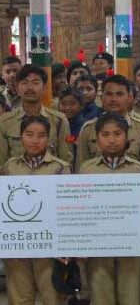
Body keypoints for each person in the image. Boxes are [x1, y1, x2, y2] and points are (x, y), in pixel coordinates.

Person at [80, 113, 140, 305]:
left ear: (127, 137)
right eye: (105, 134)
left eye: (117, 134)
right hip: (98, 244)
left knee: (132, 295)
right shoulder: (87, 169)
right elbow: (79, 209)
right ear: (97, 139)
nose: (112, 139)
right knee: (101, 295)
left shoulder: (139, 169)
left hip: (131, 244)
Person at [1, 116, 71, 305]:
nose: (34, 140)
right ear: (21, 137)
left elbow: (67, 209)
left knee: (53, 296)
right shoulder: (10, 166)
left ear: (49, 139)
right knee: (19, 298)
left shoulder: (60, 168)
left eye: (41, 135)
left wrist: (65, 244)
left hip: (49, 245)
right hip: (18, 244)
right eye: (29, 134)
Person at [77, 74, 140, 170]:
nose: (113, 99)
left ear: (129, 97)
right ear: (101, 97)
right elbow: (81, 167)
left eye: (119, 94)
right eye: (109, 94)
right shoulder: (88, 129)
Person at [0, 64, 72, 164]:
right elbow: (2, 164)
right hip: (16, 178)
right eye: (24, 83)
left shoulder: (59, 120)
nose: (30, 88)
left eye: (35, 83)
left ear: (45, 88)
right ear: (17, 88)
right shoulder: (5, 122)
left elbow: (65, 161)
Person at [1, 46, 22, 110]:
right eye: (8, 72)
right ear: (2, 75)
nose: (12, 75)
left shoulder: (30, 93)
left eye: (15, 71)